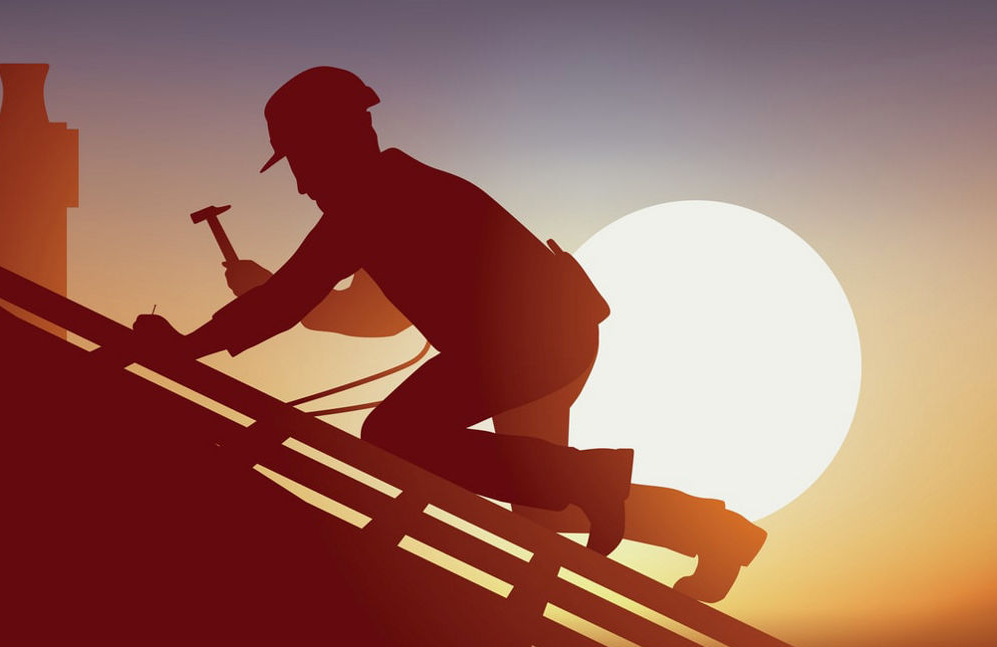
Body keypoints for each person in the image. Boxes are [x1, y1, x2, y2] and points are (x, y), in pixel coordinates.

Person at [137, 67, 765, 598]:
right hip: (524, 343)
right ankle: (709, 531)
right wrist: (262, 304)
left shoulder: (376, 200)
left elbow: (304, 302)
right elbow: (332, 305)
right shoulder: (390, 193)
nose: (301, 184)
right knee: (523, 493)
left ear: (340, 140)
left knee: (409, 440)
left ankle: (613, 496)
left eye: (302, 160)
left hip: (534, 343)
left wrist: (191, 344)